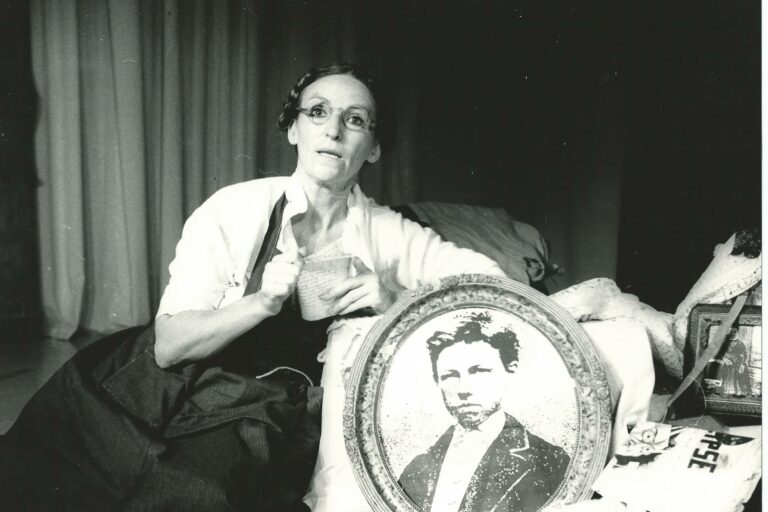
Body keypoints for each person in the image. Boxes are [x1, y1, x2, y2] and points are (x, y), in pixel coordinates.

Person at [0, 64, 505, 512]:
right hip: (161, 384)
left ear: (373, 147)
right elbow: (169, 345)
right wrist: (261, 303)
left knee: (196, 493)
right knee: (45, 476)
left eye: (355, 119)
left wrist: (397, 301)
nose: (333, 129)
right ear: (293, 129)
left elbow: (496, 287)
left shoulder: (390, 234)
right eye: (318, 112)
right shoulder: (234, 208)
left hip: (258, 409)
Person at [398, 311, 570, 512]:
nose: (464, 389)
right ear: (437, 381)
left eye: (478, 371)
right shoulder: (418, 466)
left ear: (510, 371)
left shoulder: (549, 461)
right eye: (450, 375)